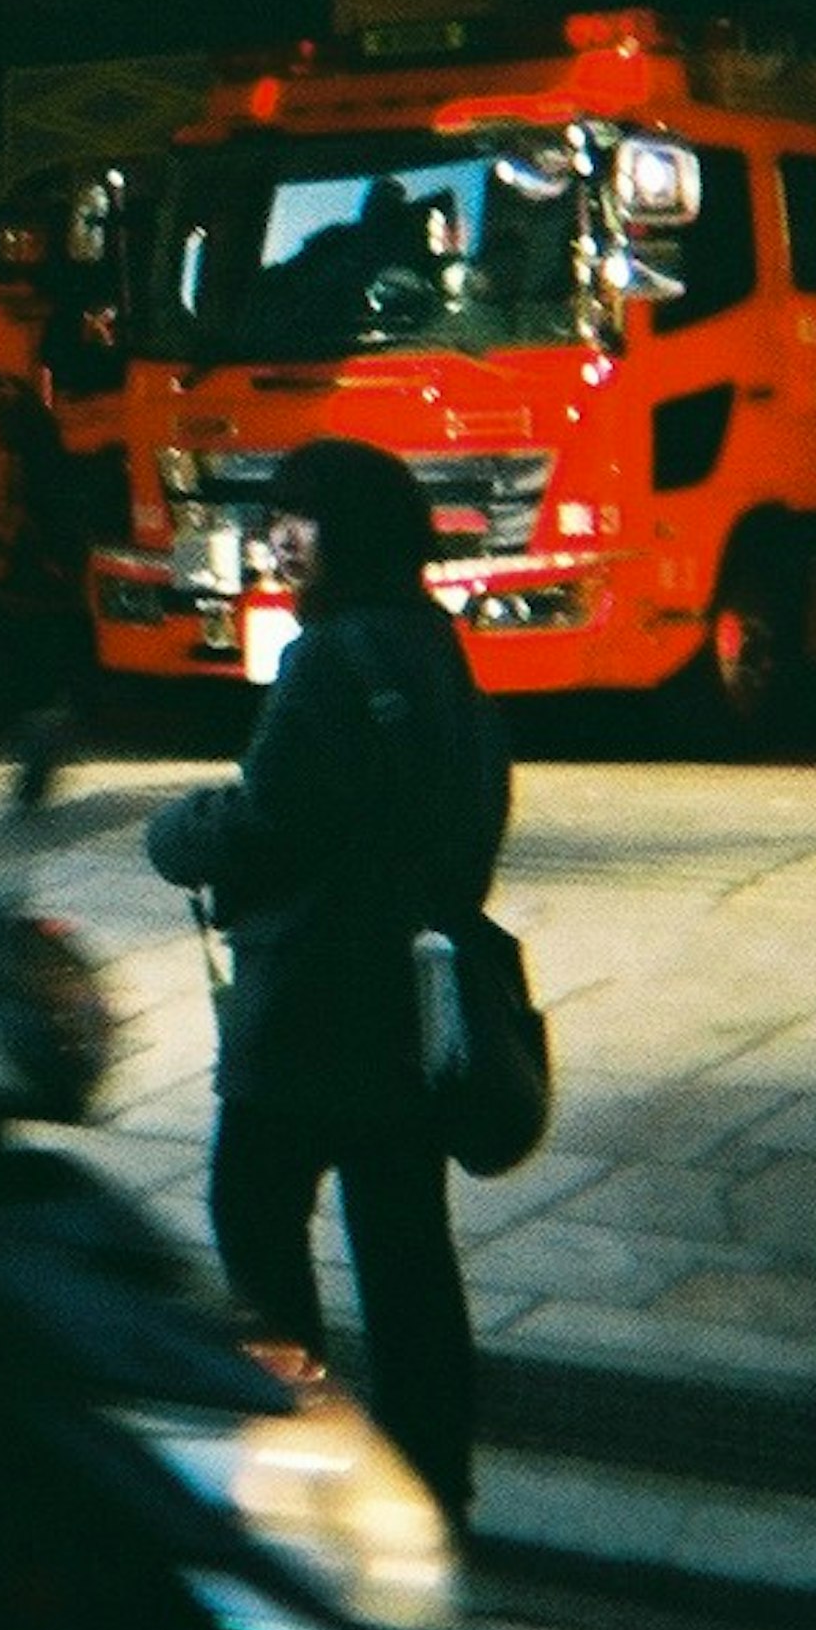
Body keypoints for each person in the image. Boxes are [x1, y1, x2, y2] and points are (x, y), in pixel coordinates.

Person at [142, 435, 510, 1521]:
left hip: (306, 1010)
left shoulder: (328, 659)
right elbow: (476, 804)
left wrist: (180, 832)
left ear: (351, 531)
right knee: (405, 1252)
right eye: (277, 520)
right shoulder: (435, 646)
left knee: (253, 1223)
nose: (279, 541)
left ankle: (301, 1456)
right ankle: (436, 1481)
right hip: (403, 1010)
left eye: (300, 520)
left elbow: (270, 818)